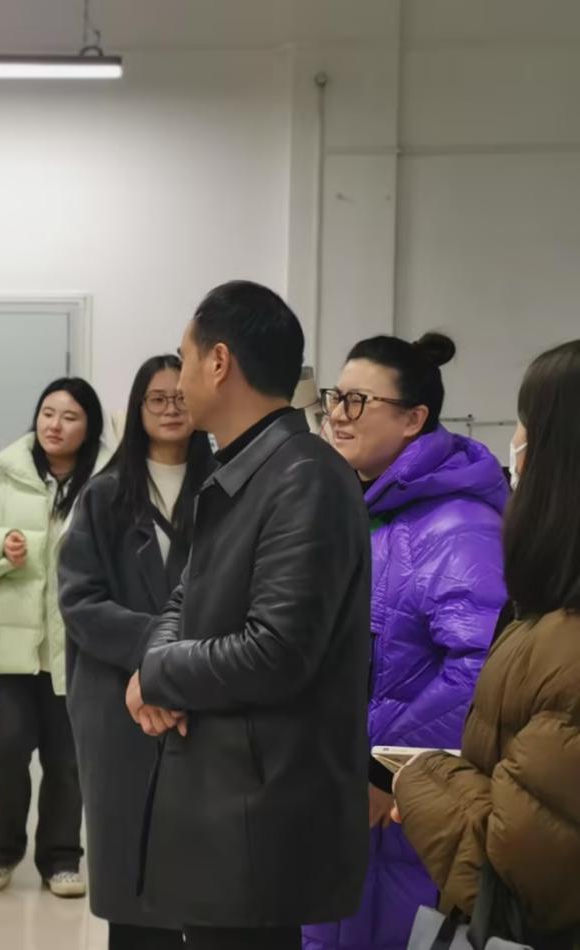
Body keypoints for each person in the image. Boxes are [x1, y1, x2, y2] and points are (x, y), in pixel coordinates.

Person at [125, 280, 372, 950]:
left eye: (184, 358)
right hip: (224, 798)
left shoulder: (304, 476)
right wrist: (155, 665)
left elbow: (276, 651)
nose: (178, 379)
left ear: (218, 362)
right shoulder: (242, 469)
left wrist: (158, 675)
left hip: (260, 811)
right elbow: (185, 596)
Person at [304, 334, 508, 950]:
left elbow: (481, 669)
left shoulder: (457, 525)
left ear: (414, 419)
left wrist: (386, 769)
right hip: (345, 796)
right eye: (336, 397)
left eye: (359, 401)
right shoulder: (364, 507)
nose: (338, 415)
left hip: (404, 811)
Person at [392, 339, 580, 946]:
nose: (514, 442)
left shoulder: (565, 650)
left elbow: (519, 877)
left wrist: (416, 777)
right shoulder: (545, 620)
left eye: (527, 424)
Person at [59, 356, 214, 948]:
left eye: (181, 396)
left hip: (203, 692)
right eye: (157, 398)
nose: (171, 408)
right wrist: (161, 643)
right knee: (130, 862)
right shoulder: (104, 495)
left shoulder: (225, 489)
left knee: (202, 869)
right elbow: (79, 601)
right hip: (115, 699)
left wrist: (183, 661)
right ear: (137, 408)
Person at [0, 377, 105, 899]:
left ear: (89, 427)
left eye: (69, 416)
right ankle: (1, 850)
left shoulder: (105, 482)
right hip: (11, 654)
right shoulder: (6, 478)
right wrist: (2, 547)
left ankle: (62, 858)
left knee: (68, 762)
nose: (54, 425)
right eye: (48, 413)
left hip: (76, 651)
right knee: (5, 755)